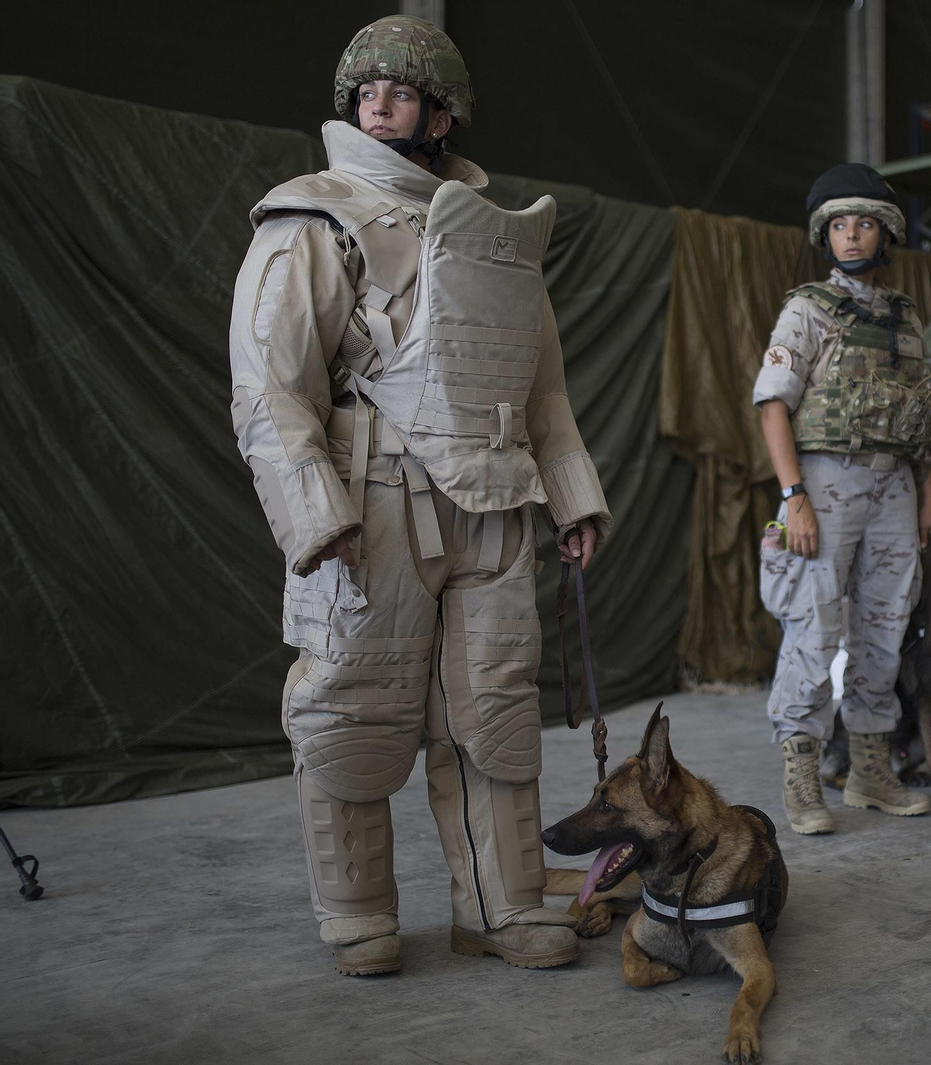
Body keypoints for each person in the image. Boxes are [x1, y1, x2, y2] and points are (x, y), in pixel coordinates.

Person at [228, 14, 610, 977]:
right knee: (352, 705)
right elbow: (270, 389)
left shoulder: (492, 235)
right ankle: (358, 914)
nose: (377, 106)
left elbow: (542, 386)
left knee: (495, 707)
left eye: (400, 92)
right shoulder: (314, 219)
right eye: (366, 92)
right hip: (374, 501)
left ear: (442, 115)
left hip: (493, 501)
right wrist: (315, 517)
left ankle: (502, 904)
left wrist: (572, 497)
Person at [753, 163, 931, 835]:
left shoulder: (905, 318)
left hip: (895, 486)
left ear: (885, 233)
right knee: (813, 628)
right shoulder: (807, 310)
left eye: (864, 223)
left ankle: (869, 771)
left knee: (884, 629)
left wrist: (928, 499)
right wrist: (794, 496)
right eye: (839, 225)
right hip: (825, 482)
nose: (852, 235)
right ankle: (802, 779)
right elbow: (773, 406)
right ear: (825, 236)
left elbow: (920, 419)